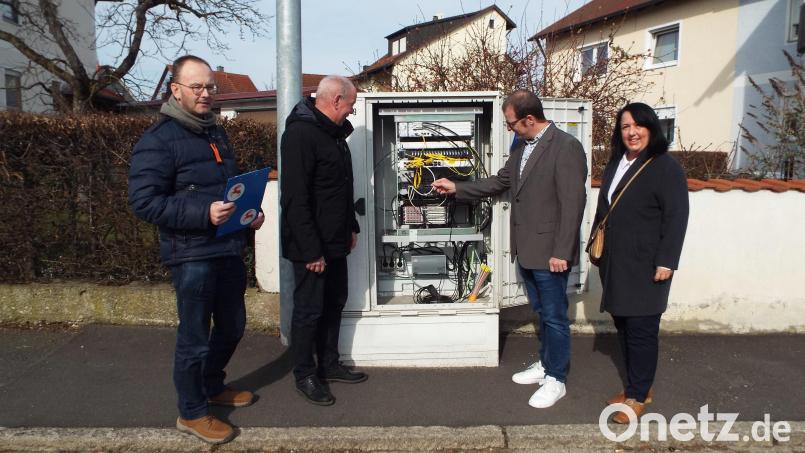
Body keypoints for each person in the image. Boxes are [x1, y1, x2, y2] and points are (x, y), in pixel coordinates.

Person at [128, 55, 264, 445]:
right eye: (197, 87)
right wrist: (203, 212)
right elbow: (145, 202)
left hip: (225, 247)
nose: (206, 94)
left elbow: (224, 191)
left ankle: (209, 384)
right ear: (175, 90)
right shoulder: (158, 141)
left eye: (210, 87)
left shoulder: (214, 133)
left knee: (234, 325)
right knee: (194, 338)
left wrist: (248, 214)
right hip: (191, 254)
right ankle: (191, 412)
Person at [432, 90, 587, 408]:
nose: (509, 129)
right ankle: (546, 364)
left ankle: (556, 379)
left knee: (555, 317)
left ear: (530, 119)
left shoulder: (567, 147)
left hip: (551, 252)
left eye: (511, 123)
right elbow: (501, 181)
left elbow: (573, 205)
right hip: (526, 248)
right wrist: (457, 187)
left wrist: (562, 251)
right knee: (542, 312)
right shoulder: (521, 145)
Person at [592, 102, 689, 423]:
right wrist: (595, 244)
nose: (631, 132)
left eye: (638, 125)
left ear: (651, 127)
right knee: (623, 325)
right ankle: (638, 387)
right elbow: (604, 210)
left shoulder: (665, 167)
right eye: (625, 127)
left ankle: (636, 396)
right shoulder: (616, 163)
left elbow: (677, 218)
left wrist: (667, 260)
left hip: (648, 264)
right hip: (616, 262)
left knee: (642, 329)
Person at [280, 75, 367, 406]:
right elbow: (295, 198)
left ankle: (329, 364)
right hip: (311, 248)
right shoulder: (301, 135)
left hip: (336, 241)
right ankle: (305, 374)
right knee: (308, 311)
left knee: (334, 303)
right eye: (350, 105)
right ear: (335, 100)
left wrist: (351, 226)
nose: (351, 111)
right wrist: (310, 250)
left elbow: (340, 188)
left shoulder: (334, 136)